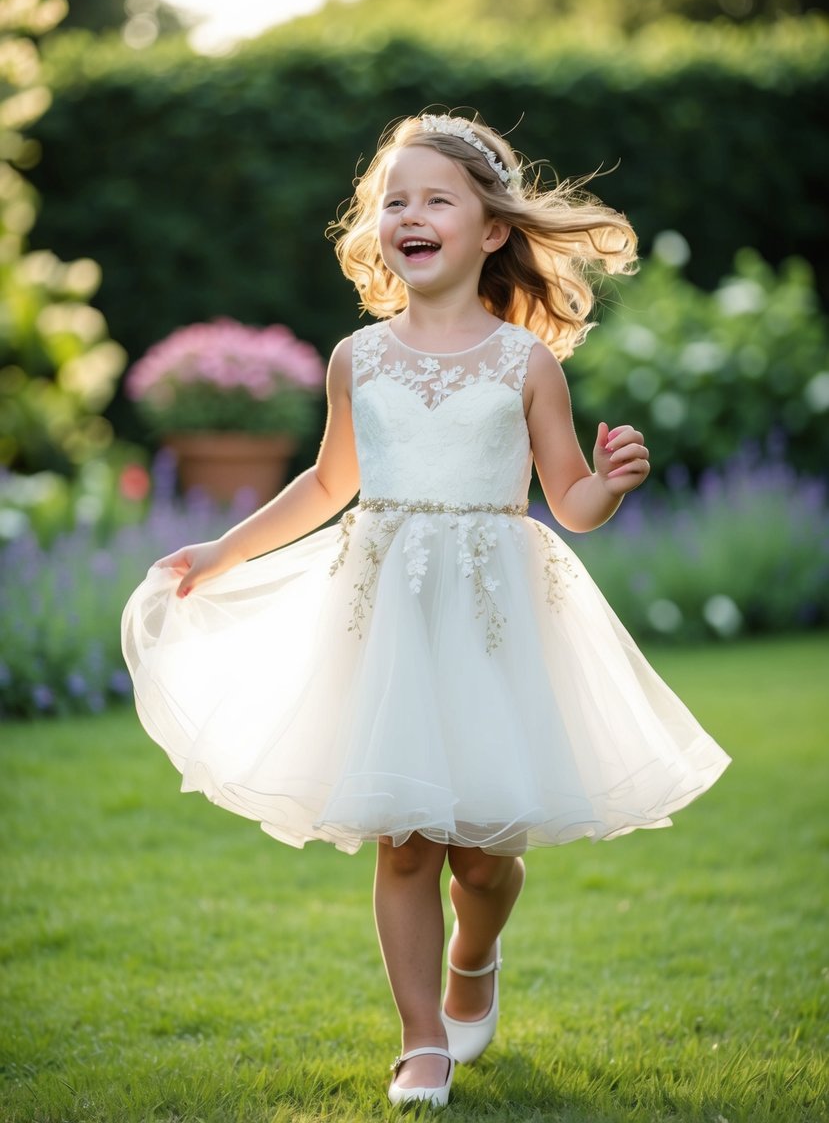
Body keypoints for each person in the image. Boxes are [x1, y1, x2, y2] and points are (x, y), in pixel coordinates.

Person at [121, 111, 731, 1109]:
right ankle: (420, 1044)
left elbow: (568, 502)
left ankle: (475, 956)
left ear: (491, 228)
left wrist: (610, 483)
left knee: (483, 858)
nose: (410, 214)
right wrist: (224, 549)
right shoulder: (356, 360)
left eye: (435, 198)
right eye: (392, 199)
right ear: (376, 231)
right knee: (405, 837)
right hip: (389, 620)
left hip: (491, 622)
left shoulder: (524, 364)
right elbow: (327, 485)